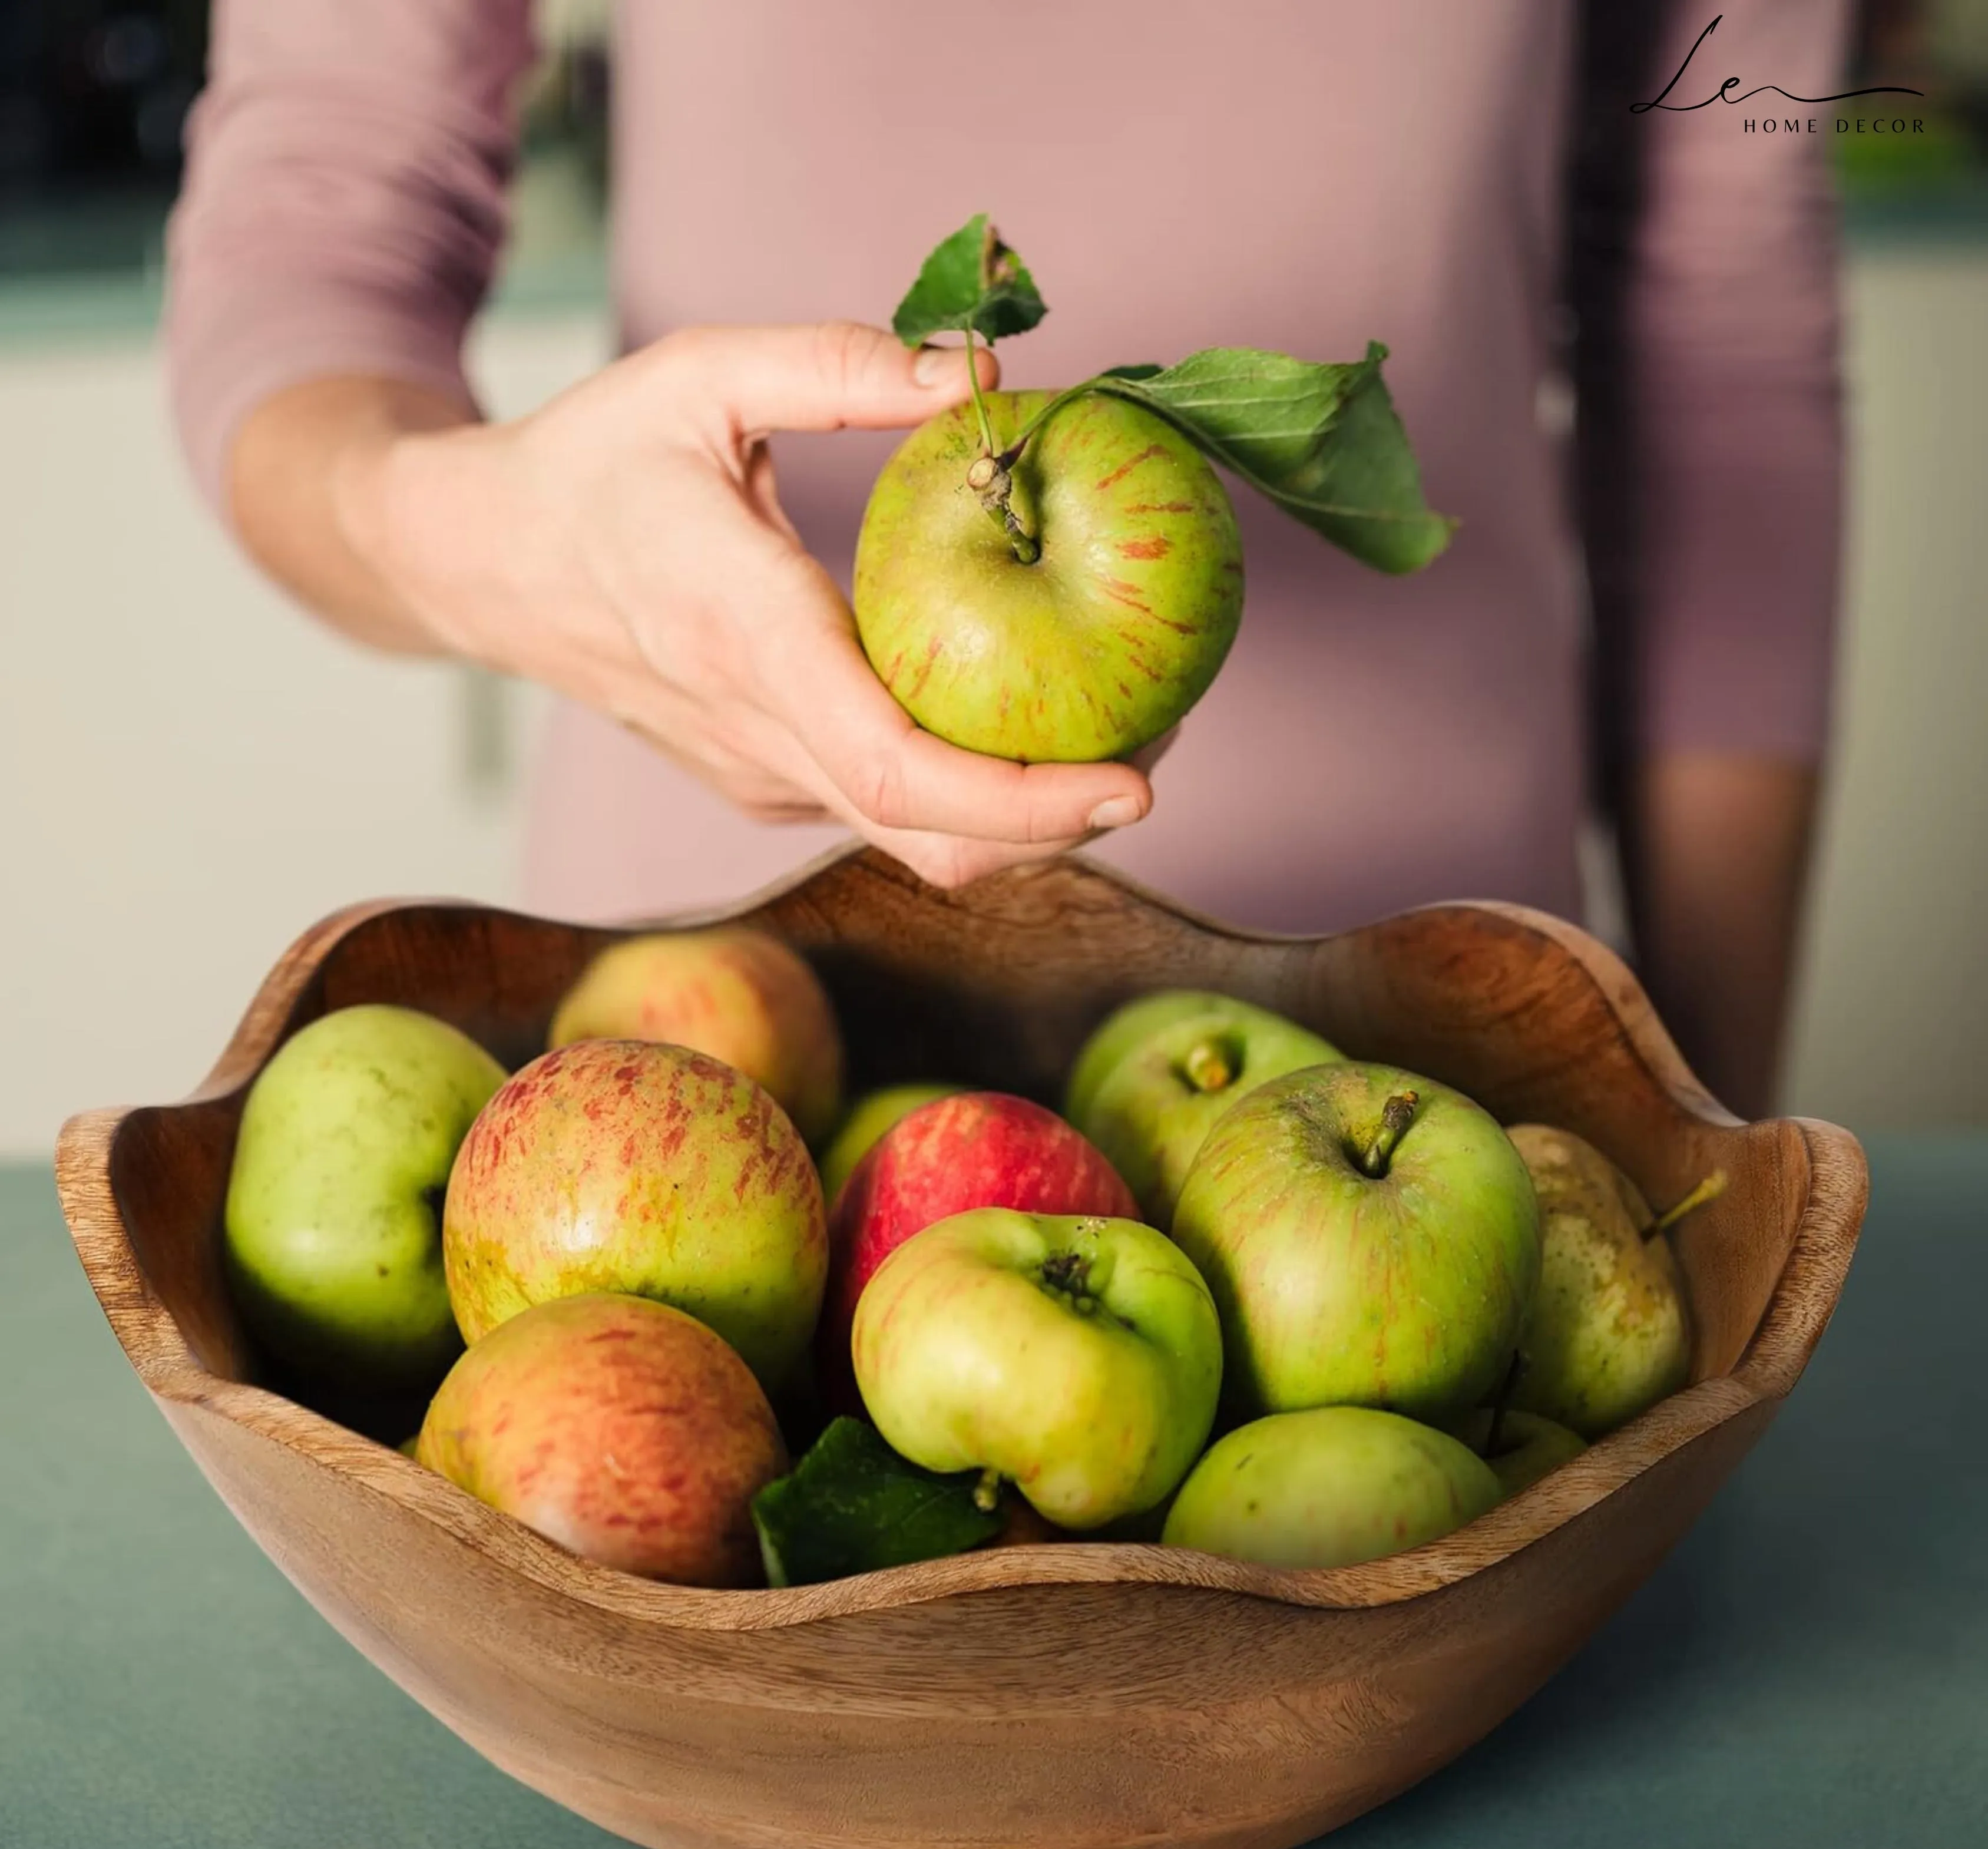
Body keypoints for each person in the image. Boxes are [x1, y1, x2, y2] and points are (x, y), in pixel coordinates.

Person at [164, 1, 1849, 1119]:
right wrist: (491, 535)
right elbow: (315, 224)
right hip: (726, 1065)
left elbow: (1718, 326)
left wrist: (1704, 1126)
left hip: (1440, 1055)